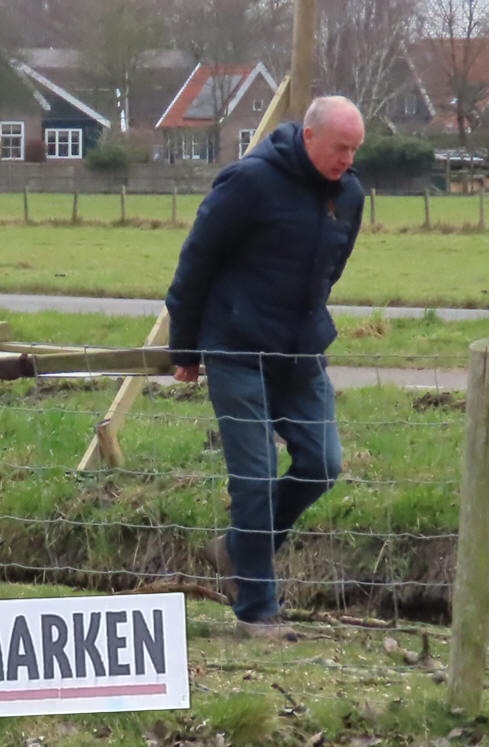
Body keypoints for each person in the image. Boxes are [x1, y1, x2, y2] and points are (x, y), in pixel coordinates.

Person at [164, 95, 366, 640]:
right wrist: (185, 347)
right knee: (252, 480)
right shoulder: (251, 181)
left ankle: (237, 549)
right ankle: (259, 612)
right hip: (235, 346)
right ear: (309, 137)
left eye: (355, 149)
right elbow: (196, 260)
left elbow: (330, 269)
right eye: (340, 147)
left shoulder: (348, 195)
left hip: (300, 351)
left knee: (322, 464)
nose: (348, 159)